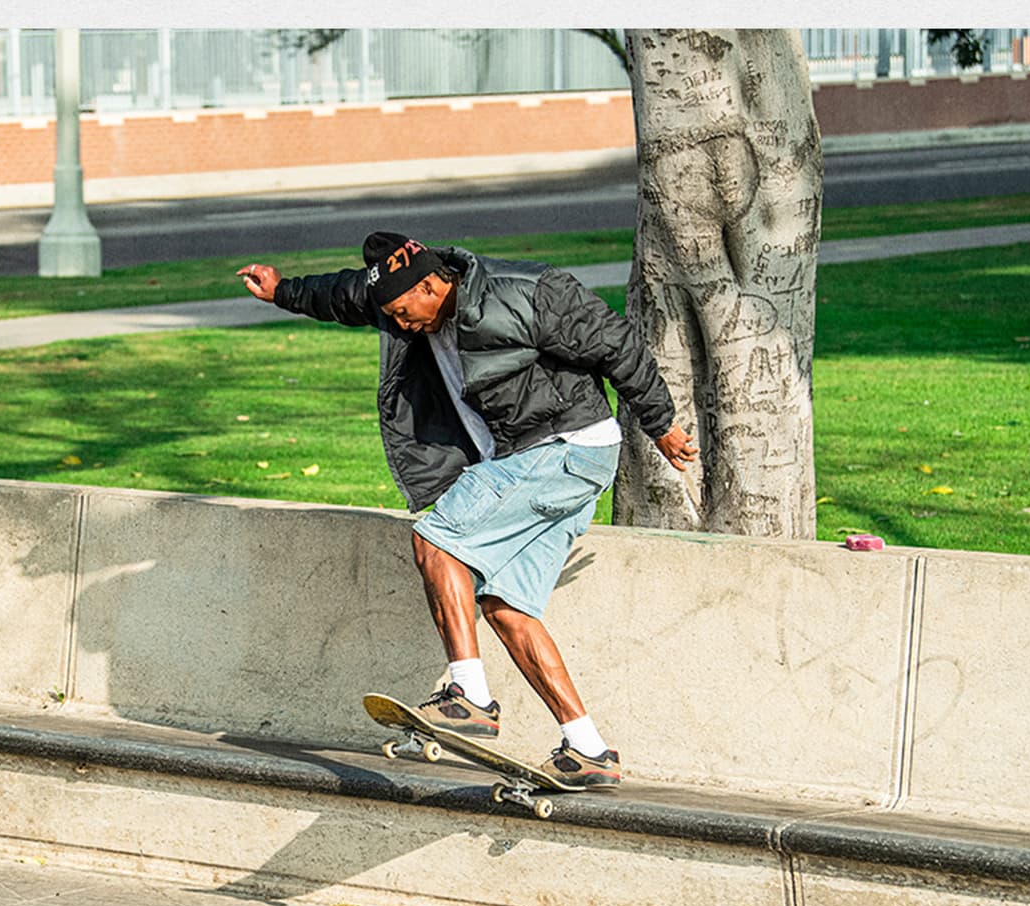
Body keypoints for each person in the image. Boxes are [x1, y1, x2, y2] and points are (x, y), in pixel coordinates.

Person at [236, 232, 697, 789]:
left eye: (408, 313)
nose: (402, 326)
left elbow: (616, 343)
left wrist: (662, 425)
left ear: (433, 284)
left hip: (565, 446)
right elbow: (343, 294)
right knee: (507, 606)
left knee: (436, 540)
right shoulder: (399, 299)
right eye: (394, 316)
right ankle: (588, 748)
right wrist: (282, 290)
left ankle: (469, 696)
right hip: (550, 464)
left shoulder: (523, 291)